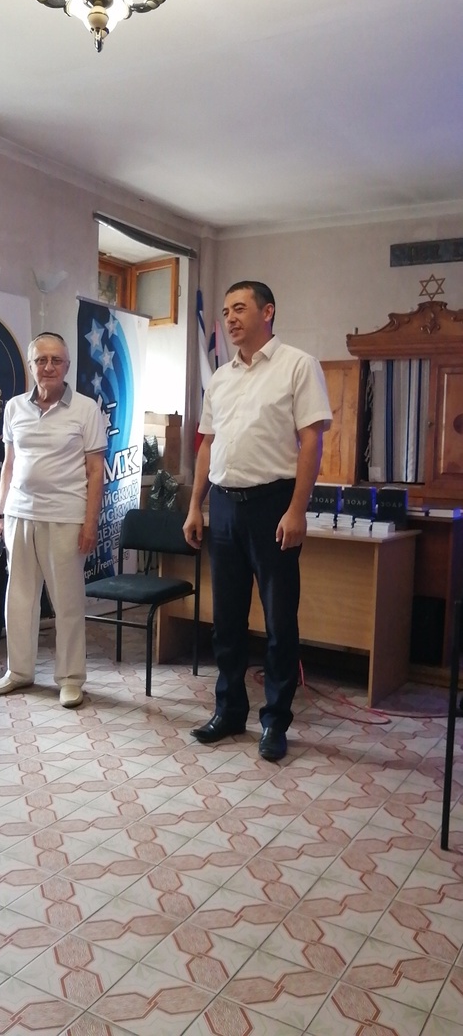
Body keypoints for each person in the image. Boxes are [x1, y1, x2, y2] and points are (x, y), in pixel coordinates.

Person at [183, 281, 332, 760]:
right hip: (224, 507)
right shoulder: (220, 378)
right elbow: (207, 444)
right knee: (226, 620)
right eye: (226, 310)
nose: (230, 318)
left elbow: (311, 440)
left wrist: (297, 509)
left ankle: (275, 722)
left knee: (279, 621)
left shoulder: (297, 365)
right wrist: (195, 505)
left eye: (240, 308)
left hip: (273, 505)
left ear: (268, 312)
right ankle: (229, 711)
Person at [0, 331, 106, 705]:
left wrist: (90, 523)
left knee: (67, 603)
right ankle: (18, 672)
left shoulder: (86, 409)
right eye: (41, 360)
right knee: (19, 599)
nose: (48, 366)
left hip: (65, 518)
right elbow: (8, 465)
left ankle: (70, 678)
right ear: (31, 365)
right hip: (19, 515)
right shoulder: (14, 408)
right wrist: (0, 514)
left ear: (67, 366)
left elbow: (96, 471)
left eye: (56, 360)